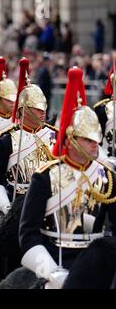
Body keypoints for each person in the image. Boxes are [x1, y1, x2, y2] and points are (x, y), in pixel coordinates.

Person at [19, 67, 116, 289]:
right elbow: (28, 234)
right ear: (71, 139)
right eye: (87, 139)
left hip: (98, 263)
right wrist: (51, 273)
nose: (95, 144)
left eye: (96, 139)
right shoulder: (44, 177)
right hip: (55, 261)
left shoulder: (108, 177)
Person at [0, 57, 57, 219]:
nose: (43, 112)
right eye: (37, 109)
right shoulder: (3, 138)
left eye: (43, 107)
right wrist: (6, 207)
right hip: (15, 200)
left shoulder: (54, 135)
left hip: (51, 201)